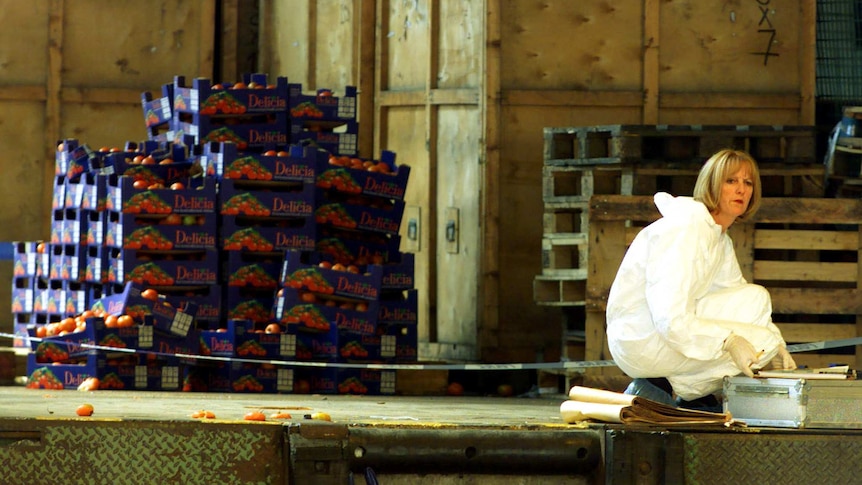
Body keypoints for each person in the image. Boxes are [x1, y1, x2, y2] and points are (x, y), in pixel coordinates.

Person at [605, 148, 797, 412]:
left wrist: (778, 345)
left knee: (756, 300)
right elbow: (669, 318)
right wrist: (728, 341)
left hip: (660, 332)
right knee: (760, 341)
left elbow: (741, 299)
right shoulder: (686, 230)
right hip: (641, 337)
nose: (741, 190)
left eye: (747, 182)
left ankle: (692, 393)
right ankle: (658, 387)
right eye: (731, 181)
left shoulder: (718, 237)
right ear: (711, 185)